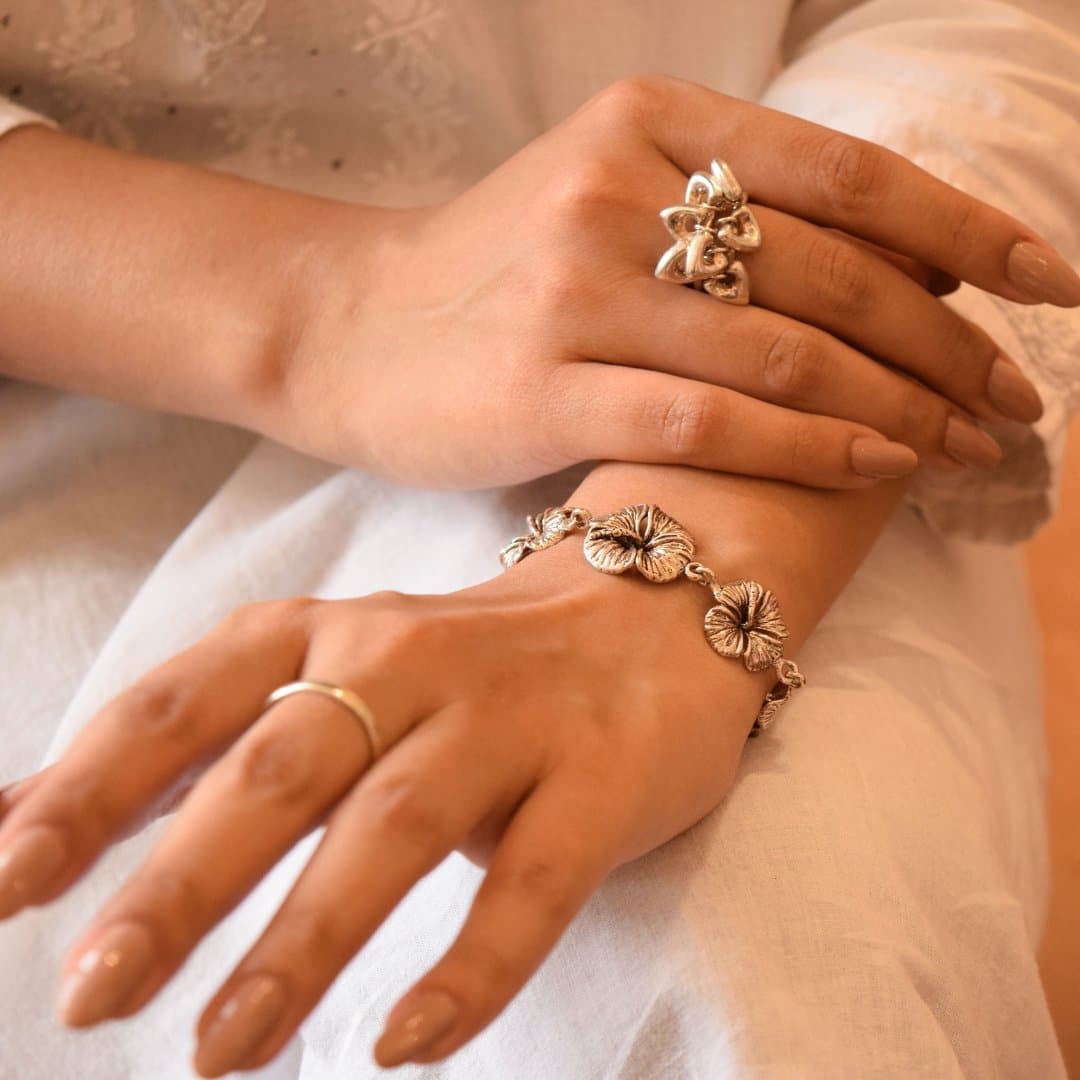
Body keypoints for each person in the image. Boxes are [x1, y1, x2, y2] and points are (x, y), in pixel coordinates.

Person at [0, 2, 1077, 1077]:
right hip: (68, 369)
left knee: (739, 944)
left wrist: (682, 544)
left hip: (751, 342)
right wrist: (328, 301)